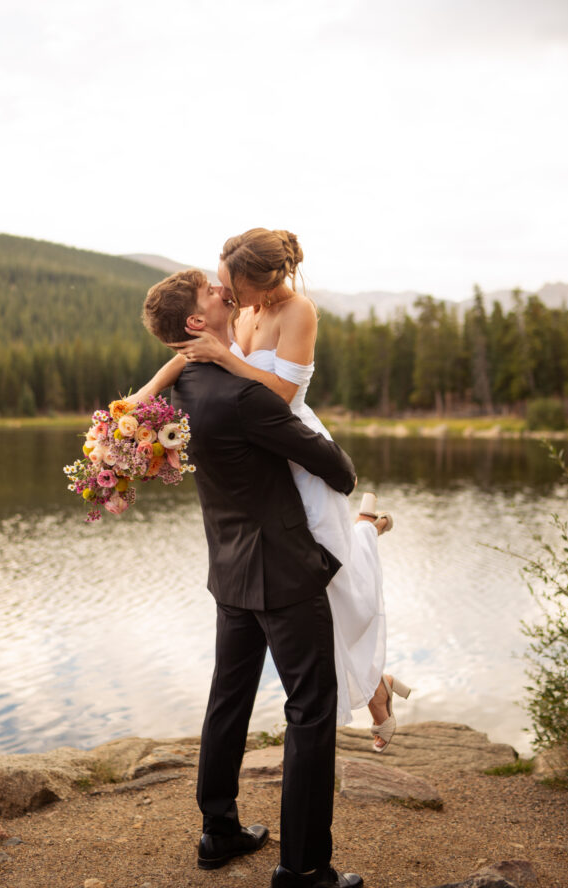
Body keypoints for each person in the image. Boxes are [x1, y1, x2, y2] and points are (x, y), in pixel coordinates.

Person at [131, 229, 409, 752]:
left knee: (332, 576)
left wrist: (227, 357)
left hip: (295, 449)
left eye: (231, 287)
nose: (226, 296)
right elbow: (191, 354)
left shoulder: (297, 311)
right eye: (220, 286)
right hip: (260, 456)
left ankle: (365, 531)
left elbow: (280, 395)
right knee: (317, 591)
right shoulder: (243, 311)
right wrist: (141, 399)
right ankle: (377, 688)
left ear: (263, 281)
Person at [142, 268, 364, 888]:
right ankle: (304, 867)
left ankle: (218, 831)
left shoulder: (177, 391)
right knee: (311, 710)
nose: (226, 295)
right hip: (285, 572)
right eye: (214, 294)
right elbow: (338, 470)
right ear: (196, 322)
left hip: (229, 568)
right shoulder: (244, 397)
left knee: (229, 697)